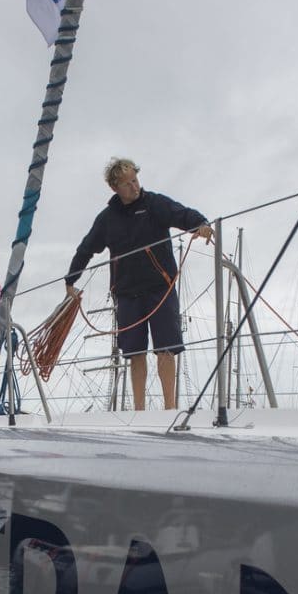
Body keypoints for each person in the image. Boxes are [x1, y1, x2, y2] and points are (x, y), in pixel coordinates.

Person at [64, 157, 213, 411]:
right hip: (127, 293)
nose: (134, 187)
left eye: (135, 180)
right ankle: (140, 410)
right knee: (134, 353)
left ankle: (170, 409)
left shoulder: (154, 203)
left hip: (160, 287)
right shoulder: (107, 219)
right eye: (127, 183)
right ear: (115, 188)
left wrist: (201, 223)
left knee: (166, 348)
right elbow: (87, 247)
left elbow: (182, 213)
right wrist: (71, 279)